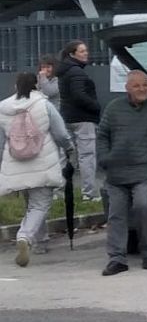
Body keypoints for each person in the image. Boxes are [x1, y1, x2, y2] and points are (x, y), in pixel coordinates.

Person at [97, 70, 147, 275]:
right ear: (127, 88)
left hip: (145, 171)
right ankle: (117, 259)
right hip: (116, 172)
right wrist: (105, 159)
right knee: (116, 213)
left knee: (143, 206)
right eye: (137, 86)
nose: (142, 89)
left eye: (145, 85)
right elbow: (102, 135)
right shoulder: (114, 108)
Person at [0, 72, 73, 268]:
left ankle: (40, 243)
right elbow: (60, 133)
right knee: (40, 205)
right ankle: (25, 236)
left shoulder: (4, 107)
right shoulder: (44, 104)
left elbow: (2, 139)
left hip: (15, 163)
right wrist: (69, 148)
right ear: (36, 85)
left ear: (16, 86)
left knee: (31, 205)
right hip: (43, 162)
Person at [56, 40, 101, 202]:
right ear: (72, 54)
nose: (86, 53)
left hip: (67, 117)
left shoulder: (64, 70)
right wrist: (96, 107)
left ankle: (59, 191)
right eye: (82, 51)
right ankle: (89, 194)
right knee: (87, 156)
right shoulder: (77, 72)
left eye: (86, 50)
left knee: (67, 155)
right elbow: (79, 95)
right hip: (83, 118)